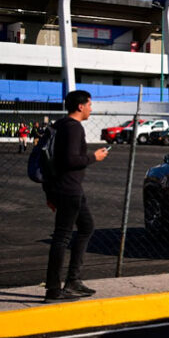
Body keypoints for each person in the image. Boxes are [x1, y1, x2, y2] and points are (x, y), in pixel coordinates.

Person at [42, 90, 109, 302]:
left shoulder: (59, 125)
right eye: (89, 104)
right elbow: (71, 160)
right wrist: (94, 157)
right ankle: (54, 289)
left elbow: (50, 161)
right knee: (62, 237)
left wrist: (49, 192)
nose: (91, 108)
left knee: (87, 227)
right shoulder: (74, 128)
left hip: (65, 189)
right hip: (68, 189)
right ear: (80, 106)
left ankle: (73, 280)